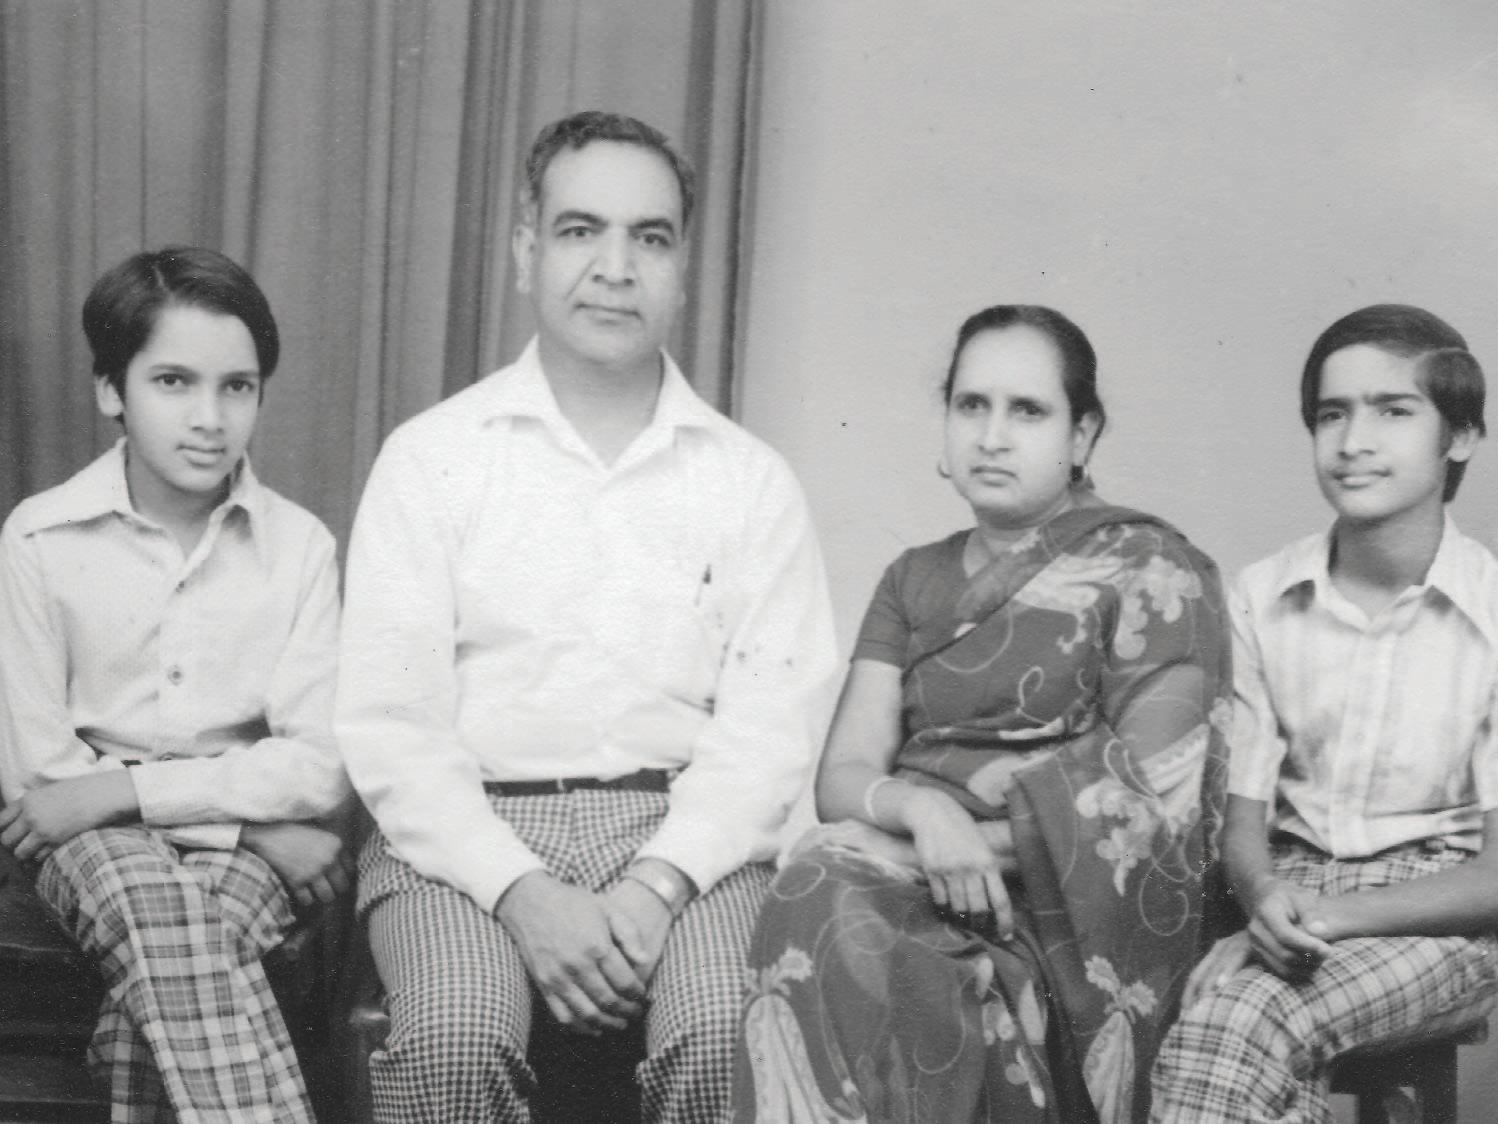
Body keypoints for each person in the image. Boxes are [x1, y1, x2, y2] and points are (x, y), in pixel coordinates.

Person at [335, 109, 836, 1123]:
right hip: (464, 835)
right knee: (455, 1033)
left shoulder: (751, 482)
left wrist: (658, 882)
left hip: (682, 836)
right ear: (526, 249)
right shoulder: (431, 456)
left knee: (728, 1031)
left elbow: (769, 734)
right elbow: (393, 727)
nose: (615, 267)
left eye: (649, 237)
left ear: (682, 267)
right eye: (580, 230)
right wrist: (520, 890)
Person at [732, 304, 1231, 1124]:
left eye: (1027, 411)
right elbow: (845, 774)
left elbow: (1150, 808)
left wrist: (927, 851)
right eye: (972, 405)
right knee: (820, 892)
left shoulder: (1154, 572)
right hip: (901, 878)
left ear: (1082, 435)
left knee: (836, 899)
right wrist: (925, 815)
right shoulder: (911, 579)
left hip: (1055, 919)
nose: (992, 436)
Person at [1150, 305, 1498, 1122]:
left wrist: (1324, 919)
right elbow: (1243, 818)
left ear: (1460, 436)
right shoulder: (1262, 596)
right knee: (1174, 1010)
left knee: (1242, 1018)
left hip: (1438, 924)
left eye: (1393, 411)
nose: (1353, 441)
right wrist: (1265, 898)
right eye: (1331, 414)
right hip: (1284, 891)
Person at [0, 246, 352, 1123]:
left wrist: (123, 790)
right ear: (110, 390)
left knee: (161, 988)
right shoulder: (40, 538)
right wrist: (251, 827)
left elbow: (318, 767)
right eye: (173, 383)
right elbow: (43, 782)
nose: (210, 419)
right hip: (99, 847)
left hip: (208, 845)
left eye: (238, 387)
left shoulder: (301, 547)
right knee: (154, 901)